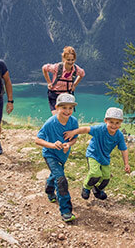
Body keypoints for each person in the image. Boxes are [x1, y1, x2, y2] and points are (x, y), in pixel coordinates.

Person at [63, 107, 130, 201]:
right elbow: (86, 129)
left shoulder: (119, 135)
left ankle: (97, 189)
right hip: (93, 154)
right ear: (105, 121)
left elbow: (124, 150)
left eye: (117, 123)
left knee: (106, 177)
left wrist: (126, 163)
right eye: (111, 122)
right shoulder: (100, 129)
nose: (114, 125)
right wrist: (73, 132)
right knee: (95, 173)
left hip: (104, 157)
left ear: (121, 123)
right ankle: (86, 187)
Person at [35, 93, 79, 223]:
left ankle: (49, 189)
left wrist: (68, 144)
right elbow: (37, 140)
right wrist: (53, 145)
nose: (67, 111)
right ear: (57, 107)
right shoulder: (50, 123)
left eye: (70, 108)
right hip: (50, 154)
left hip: (63, 155)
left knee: (55, 175)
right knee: (61, 179)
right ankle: (66, 211)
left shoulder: (73, 122)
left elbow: (74, 139)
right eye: (64, 107)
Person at [42, 46, 85, 115]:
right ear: (63, 59)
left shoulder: (76, 69)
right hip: (54, 95)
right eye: (68, 60)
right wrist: (49, 82)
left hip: (66, 96)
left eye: (72, 60)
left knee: (65, 116)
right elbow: (44, 68)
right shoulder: (57, 67)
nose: (70, 62)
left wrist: (74, 85)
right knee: (56, 116)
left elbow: (82, 74)